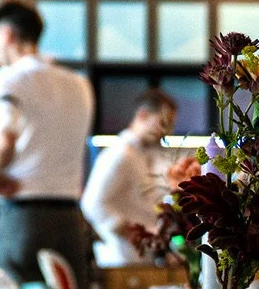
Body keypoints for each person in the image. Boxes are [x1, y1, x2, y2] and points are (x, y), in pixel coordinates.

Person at [0, 0, 95, 289]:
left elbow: (7, 139)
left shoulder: (9, 79)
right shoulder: (79, 84)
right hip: (69, 218)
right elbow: (45, 140)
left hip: (23, 218)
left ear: (7, 33)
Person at [81, 89, 200, 267]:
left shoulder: (139, 154)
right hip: (120, 260)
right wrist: (132, 233)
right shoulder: (120, 154)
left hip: (138, 258)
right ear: (143, 115)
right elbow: (91, 204)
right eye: (162, 123)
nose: (166, 131)